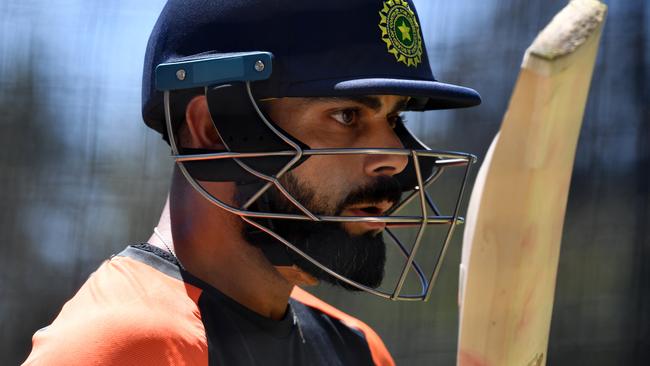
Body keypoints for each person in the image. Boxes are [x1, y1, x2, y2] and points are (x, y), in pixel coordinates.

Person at [24, 0, 480, 364]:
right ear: (212, 127)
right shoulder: (125, 348)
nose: (397, 160)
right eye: (347, 115)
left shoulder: (358, 349)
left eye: (395, 117)